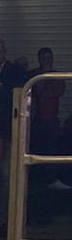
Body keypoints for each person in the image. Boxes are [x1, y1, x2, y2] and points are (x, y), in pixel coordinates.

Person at [29, 48, 70, 191]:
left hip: (51, 118)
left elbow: (57, 92)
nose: (46, 61)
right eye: (43, 58)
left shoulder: (56, 76)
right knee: (34, 148)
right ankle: (33, 178)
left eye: (48, 58)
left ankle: (51, 178)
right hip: (35, 118)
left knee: (51, 149)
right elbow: (33, 91)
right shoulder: (33, 75)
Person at [0, 39, 27, 228]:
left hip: (7, 129)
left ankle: (6, 218)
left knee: (6, 175)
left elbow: (21, 96)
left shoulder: (16, 71)